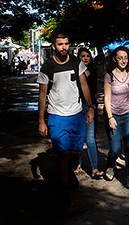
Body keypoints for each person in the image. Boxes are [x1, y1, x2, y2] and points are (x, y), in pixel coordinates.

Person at [37, 33, 96, 190]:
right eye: (60, 44)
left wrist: (90, 107)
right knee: (62, 152)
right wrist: (41, 121)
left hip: (76, 114)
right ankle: (64, 184)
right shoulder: (47, 66)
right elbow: (42, 95)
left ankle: (68, 172)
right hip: (57, 115)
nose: (64, 47)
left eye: (66, 44)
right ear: (53, 46)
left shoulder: (77, 62)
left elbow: (84, 86)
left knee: (75, 151)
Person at [103, 46, 129, 192]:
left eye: (125, 58)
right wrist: (110, 117)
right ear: (115, 59)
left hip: (128, 116)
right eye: (120, 58)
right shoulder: (109, 76)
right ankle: (110, 164)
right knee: (115, 149)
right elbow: (107, 99)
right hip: (114, 116)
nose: (123, 61)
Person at [76, 47, 103, 179]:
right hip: (75, 107)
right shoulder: (74, 72)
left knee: (90, 138)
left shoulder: (92, 72)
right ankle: (78, 163)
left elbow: (92, 90)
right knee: (78, 138)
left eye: (87, 56)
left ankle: (95, 168)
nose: (85, 58)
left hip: (89, 106)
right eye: (82, 56)